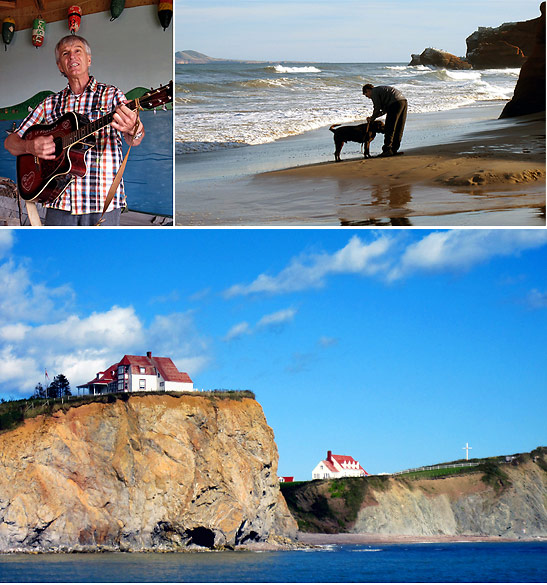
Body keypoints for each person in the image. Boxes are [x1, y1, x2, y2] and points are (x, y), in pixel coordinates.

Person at [4, 35, 145, 226]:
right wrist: (30, 146)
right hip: (59, 201)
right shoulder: (49, 104)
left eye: (77, 50)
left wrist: (133, 128)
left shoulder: (111, 95)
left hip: (103, 201)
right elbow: (11, 143)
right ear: (60, 66)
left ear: (89, 59)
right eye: (65, 53)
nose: (72, 57)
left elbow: (134, 139)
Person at [362, 83, 407, 157]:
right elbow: (384, 110)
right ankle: (394, 149)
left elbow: (377, 108)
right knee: (399, 127)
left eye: (366, 95)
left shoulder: (374, 92)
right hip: (403, 101)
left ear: (368, 90)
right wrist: (373, 117)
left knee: (390, 127)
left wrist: (372, 119)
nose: (368, 97)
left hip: (395, 103)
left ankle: (387, 150)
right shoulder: (381, 91)